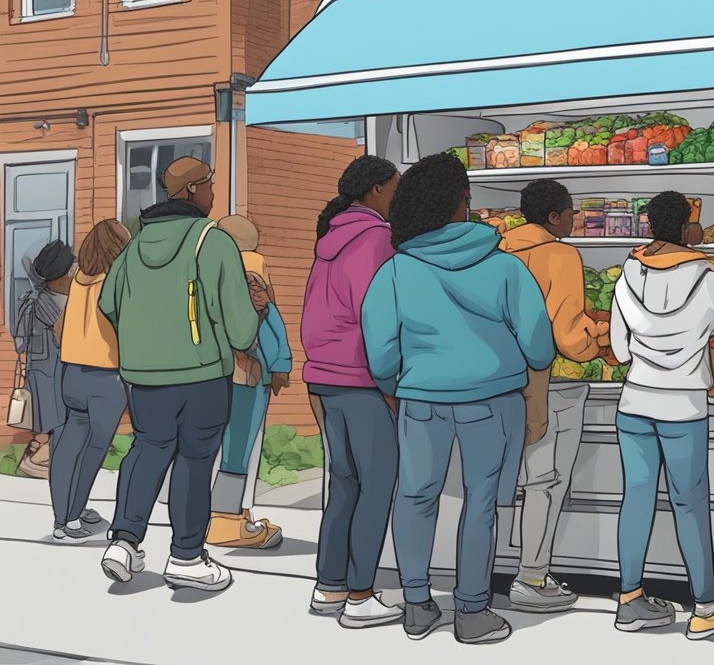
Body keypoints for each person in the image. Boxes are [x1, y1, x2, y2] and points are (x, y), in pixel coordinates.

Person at [362, 153, 553, 644]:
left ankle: (417, 603)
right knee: (482, 503)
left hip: (420, 400)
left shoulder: (396, 271)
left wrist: (396, 388)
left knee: (416, 495)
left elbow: (380, 354)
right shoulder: (507, 269)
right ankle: (472, 611)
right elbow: (538, 346)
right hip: (495, 400)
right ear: (464, 202)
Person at [97, 156, 266, 592]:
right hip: (202, 374)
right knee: (194, 459)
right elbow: (241, 328)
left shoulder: (135, 244)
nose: (212, 191)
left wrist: (144, 340)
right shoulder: (213, 241)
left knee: (148, 449)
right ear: (191, 190)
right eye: (208, 183)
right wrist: (258, 310)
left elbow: (108, 304)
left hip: (143, 375)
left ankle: (124, 540)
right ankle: (186, 557)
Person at [608, 190, 714, 640]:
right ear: (689, 227)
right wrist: (698, 247)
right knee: (690, 505)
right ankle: (705, 608)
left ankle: (629, 600)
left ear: (648, 226)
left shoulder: (627, 273)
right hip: (684, 406)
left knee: (637, 498)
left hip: (634, 403)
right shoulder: (713, 279)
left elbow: (619, 348)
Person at [499, 179, 611, 613]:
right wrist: (601, 339)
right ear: (553, 216)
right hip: (554, 382)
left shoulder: (498, 248)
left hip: (499, 378)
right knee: (546, 482)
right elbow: (567, 335)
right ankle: (531, 575)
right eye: (570, 212)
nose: (573, 219)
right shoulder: (561, 255)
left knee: (504, 480)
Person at [302, 155, 402, 629]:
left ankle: (330, 586)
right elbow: (378, 313)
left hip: (323, 376)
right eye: (396, 186)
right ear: (377, 190)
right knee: (376, 485)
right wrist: (390, 383)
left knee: (343, 486)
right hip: (362, 377)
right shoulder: (377, 238)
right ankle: (361, 595)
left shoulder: (330, 239)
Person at [205, 215, 292, 550]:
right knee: (240, 449)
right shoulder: (253, 265)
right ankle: (227, 521)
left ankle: (233, 514)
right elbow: (269, 319)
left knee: (218, 445)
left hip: (214, 369)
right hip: (248, 372)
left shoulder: (209, 263)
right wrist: (281, 363)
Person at [49, 222, 129, 543]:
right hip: (106, 376)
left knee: (69, 445)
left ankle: (62, 515)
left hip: (73, 374)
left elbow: (58, 328)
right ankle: (72, 519)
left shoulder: (79, 281)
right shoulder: (117, 281)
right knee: (94, 449)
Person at [12, 240, 76, 480]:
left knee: (47, 419)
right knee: (57, 419)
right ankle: (35, 461)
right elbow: (63, 336)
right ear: (61, 273)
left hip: (43, 368)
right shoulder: (48, 300)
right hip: (49, 370)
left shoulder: (43, 296)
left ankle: (36, 456)